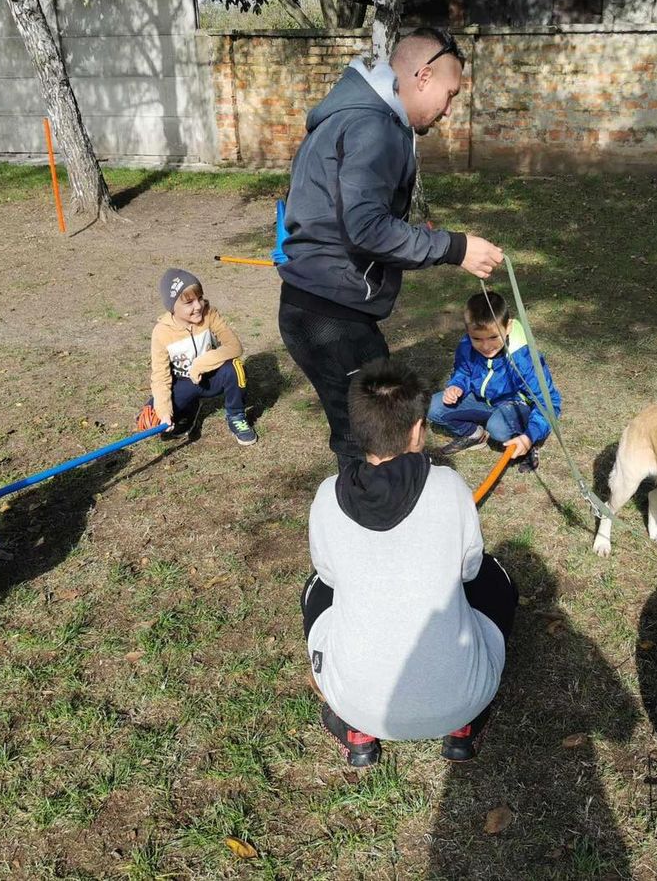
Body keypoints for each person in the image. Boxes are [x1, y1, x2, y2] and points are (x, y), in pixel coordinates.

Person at [277, 27, 505, 468]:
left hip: (328, 307)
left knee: (384, 422)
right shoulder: (373, 126)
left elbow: (346, 214)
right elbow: (365, 228)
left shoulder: (352, 117)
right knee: (369, 438)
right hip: (328, 316)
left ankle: (382, 504)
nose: (449, 110)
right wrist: (456, 248)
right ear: (423, 76)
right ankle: (372, 521)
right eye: (450, 93)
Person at [302, 359, 518, 767]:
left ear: (357, 430)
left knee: (316, 588)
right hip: (464, 700)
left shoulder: (328, 495)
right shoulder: (449, 486)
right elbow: (470, 570)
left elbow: (328, 576)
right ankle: (463, 731)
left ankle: (357, 734)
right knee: (496, 578)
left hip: (354, 701)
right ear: (419, 429)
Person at [427, 290, 562, 472]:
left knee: (498, 428)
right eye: (477, 339)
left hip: (514, 405)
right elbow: (463, 371)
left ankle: (527, 444)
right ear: (468, 331)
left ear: (508, 328)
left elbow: (549, 403)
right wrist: (457, 385)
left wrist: (530, 435)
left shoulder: (523, 358)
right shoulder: (467, 345)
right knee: (433, 407)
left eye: (493, 337)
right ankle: (474, 435)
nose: (486, 346)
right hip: (481, 400)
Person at [134, 268, 257, 445]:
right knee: (157, 412)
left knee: (235, 367)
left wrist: (202, 363)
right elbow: (160, 377)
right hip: (185, 383)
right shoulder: (161, 333)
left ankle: (236, 414)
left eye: (199, 298)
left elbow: (234, 346)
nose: (198, 305)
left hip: (212, 378)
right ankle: (188, 409)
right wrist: (164, 412)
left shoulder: (210, 314)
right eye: (189, 302)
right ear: (172, 307)